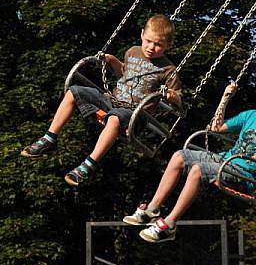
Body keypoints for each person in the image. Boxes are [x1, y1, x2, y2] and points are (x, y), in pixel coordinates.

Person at [20, 14, 182, 187]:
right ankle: (49, 138)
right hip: (112, 100)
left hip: (135, 114)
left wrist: (173, 97)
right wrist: (111, 60)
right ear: (142, 34)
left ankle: (88, 166)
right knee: (74, 92)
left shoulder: (168, 70)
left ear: (168, 45)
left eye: (158, 45)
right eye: (148, 41)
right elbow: (124, 73)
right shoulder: (133, 51)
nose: (151, 47)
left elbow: (180, 102)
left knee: (114, 118)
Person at [124, 80, 256, 243]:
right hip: (225, 160)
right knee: (179, 156)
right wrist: (225, 98)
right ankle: (153, 208)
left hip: (244, 175)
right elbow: (215, 128)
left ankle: (169, 225)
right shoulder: (249, 115)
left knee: (198, 169)